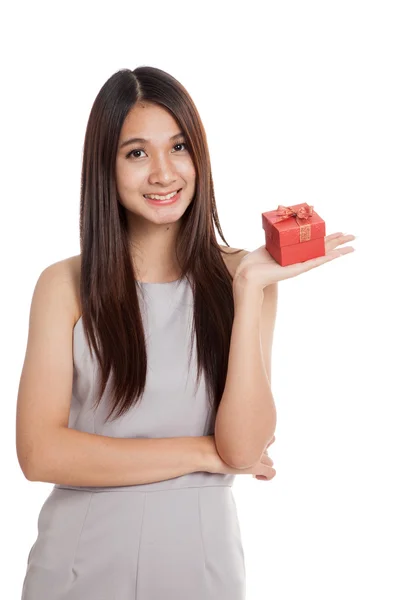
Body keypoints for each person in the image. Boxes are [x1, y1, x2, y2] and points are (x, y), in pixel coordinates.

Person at [16, 66, 276, 600]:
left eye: (178, 147)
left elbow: (247, 444)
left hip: (200, 566)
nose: (163, 173)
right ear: (105, 168)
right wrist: (205, 452)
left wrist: (249, 289)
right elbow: (39, 452)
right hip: (79, 564)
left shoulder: (245, 279)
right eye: (137, 153)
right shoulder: (63, 285)